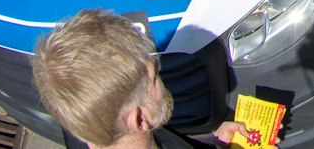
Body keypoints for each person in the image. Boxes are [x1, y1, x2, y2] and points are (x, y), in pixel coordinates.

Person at [33, 9, 246, 149]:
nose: (158, 69)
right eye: (153, 77)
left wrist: (213, 143)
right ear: (139, 119)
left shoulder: (89, 119)